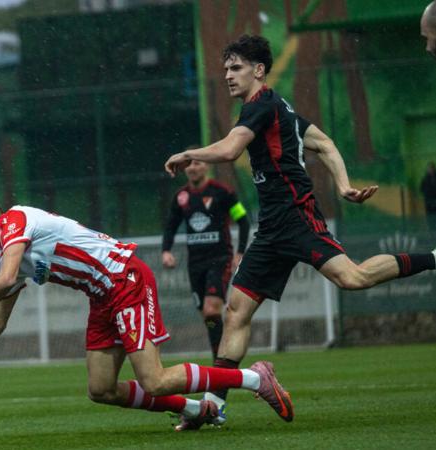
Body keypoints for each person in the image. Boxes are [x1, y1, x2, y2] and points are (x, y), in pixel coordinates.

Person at [164, 34, 436, 430]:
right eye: (225, 68)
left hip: (297, 216)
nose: (227, 75)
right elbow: (324, 144)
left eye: (236, 67)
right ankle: (212, 406)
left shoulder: (261, 105)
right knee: (236, 311)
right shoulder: (280, 109)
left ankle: (432, 258)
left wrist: (189, 153)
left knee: (353, 278)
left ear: (258, 70)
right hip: (272, 227)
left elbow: (229, 151)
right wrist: (342, 185)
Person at [0, 188, 295, 429]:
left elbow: (0, 284)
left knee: (155, 380)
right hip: (102, 297)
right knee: (101, 389)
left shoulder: (15, 220)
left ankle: (254, 379)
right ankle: (198, 410)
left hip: (124, 279)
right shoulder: (13, 261)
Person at [161, 158, 250, 363]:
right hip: (195, 264)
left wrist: (240, 253)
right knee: (209, 317)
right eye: (189, 164)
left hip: (219, 259)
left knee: (211, 310)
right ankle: (220, 356)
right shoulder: (181, 197)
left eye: (197, 163)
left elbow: (243, 221)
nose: (193, 167)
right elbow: (171, 226)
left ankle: (220, 361)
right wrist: (166, 250)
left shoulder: (223, 192)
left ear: (206, 167)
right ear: (185, 170)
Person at [421, 162, 436, 233]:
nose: (431, 170)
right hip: (428, 201)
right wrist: (427, 195)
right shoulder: (425, 179)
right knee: (429, 217)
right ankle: (431, 231)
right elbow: (421, 189)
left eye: (432, 168)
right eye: (429, 168)